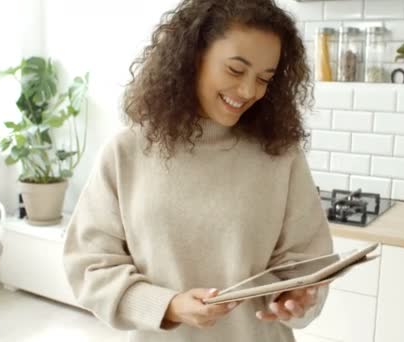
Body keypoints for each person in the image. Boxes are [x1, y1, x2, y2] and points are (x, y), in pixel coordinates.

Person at [62, 0, 334, 341]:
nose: (249, 91)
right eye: (236, 70)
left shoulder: (280, 156)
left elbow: (308, 261)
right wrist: (169, 306)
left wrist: (296, 298)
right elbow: (90, 266)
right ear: (193, 57)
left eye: (265, 78)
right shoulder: (126, 152)